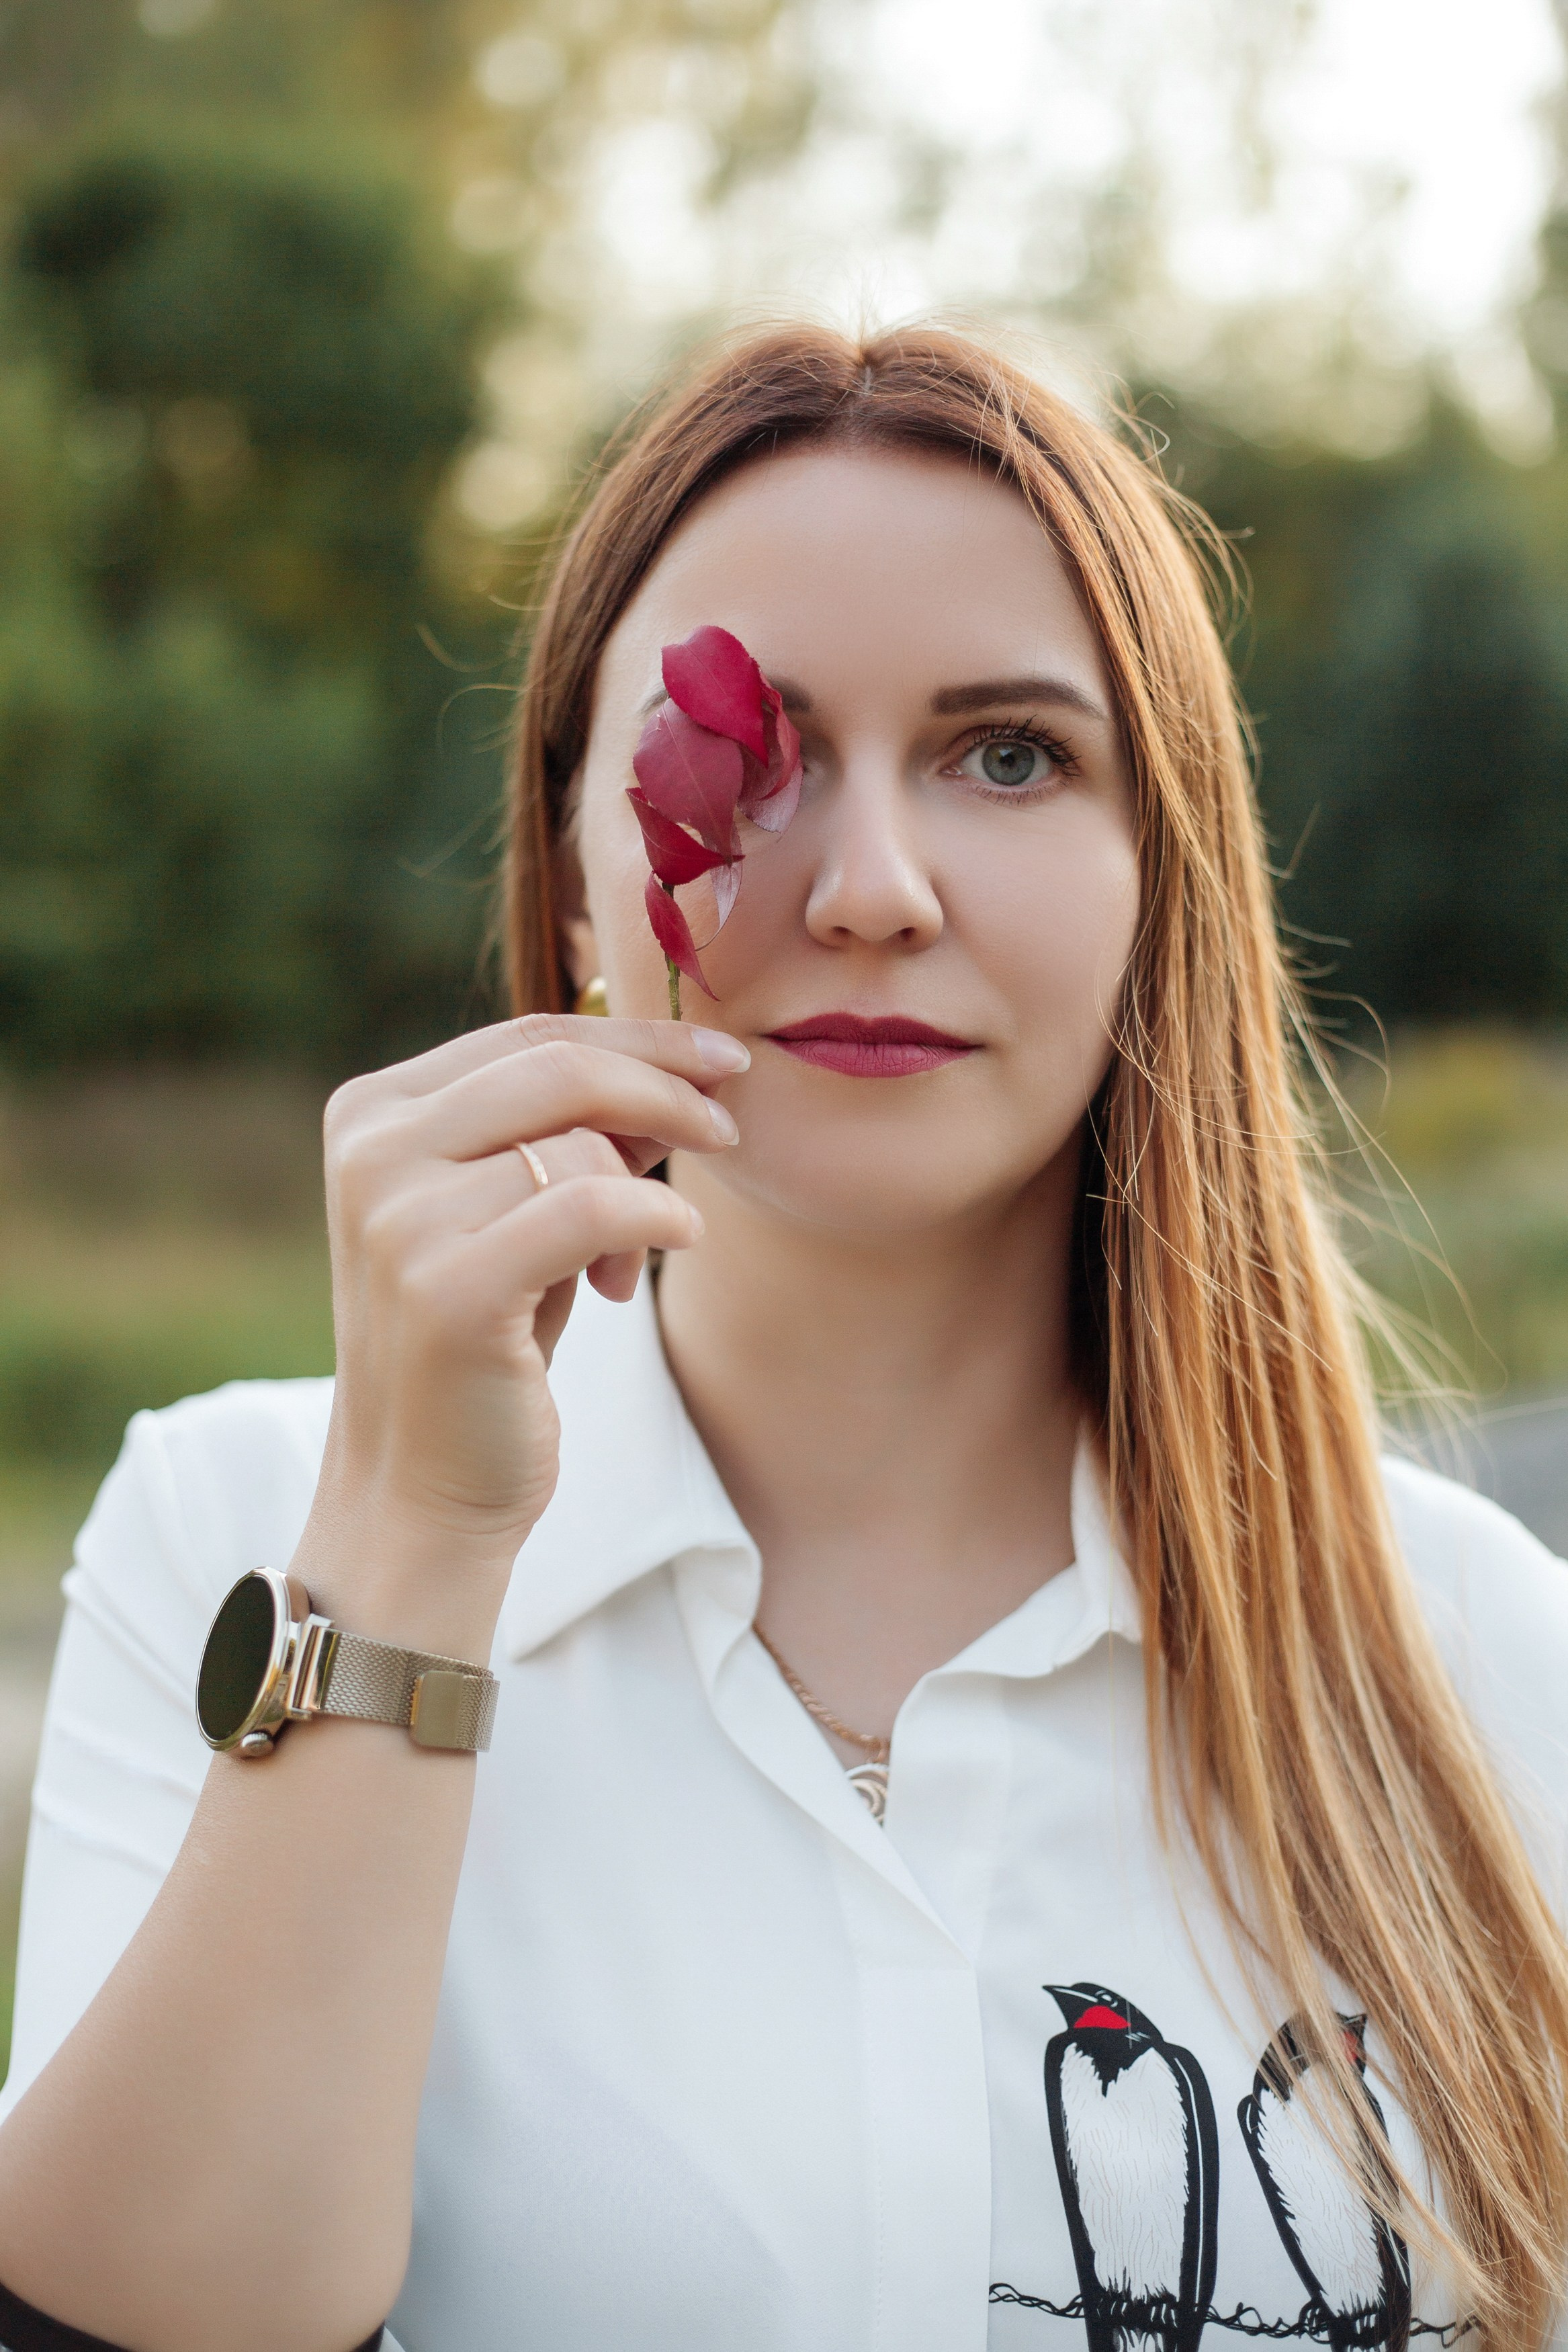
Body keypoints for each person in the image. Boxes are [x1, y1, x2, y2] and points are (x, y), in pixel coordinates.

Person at [0, 323, 1565, 2352]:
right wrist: (406, 1537)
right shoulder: (235, 1525)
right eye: (756, 755)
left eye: (1010, 753)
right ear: (572, 872)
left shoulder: (1490, 1665)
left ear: (1159, 887)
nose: (875, 887)